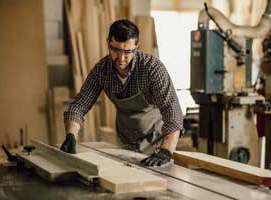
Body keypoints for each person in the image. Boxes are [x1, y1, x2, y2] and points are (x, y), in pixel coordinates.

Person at [60, 19, 183, 167]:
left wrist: (166, 150)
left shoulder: (152, 69)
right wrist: (71, 135)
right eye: (115, 50)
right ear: (108, 43)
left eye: (127, 52)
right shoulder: (101, 71)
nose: (121, 58)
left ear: (137, 46)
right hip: (125, 141)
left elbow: (172, 111)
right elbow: (79, 105)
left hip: (156, 142)